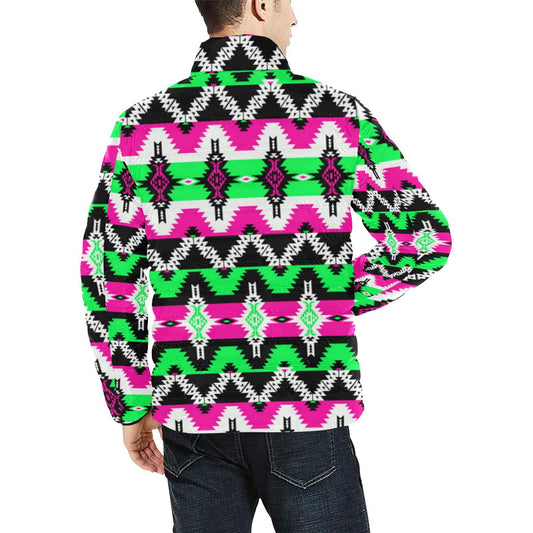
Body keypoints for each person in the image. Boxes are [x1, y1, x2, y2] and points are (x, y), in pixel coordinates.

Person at [79, 0, 453, 531]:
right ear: (260, 5)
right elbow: (424, 239)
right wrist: (320, 298)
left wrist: (131, 402)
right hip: (305, 401)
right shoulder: (334, 113)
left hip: (192, 406)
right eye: (288, 3)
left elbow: (106, 273)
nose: (295, 19)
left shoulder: (141, 124)